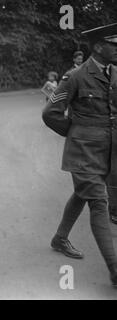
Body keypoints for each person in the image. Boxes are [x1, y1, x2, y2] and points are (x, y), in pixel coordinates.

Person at [42, 22, 117, 287]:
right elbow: (50, 113)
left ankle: (60, 238)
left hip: (108, 153)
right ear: (98, 46)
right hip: (83, 151)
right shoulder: (75, 76)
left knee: (83, 194)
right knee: (99, 202)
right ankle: (114, 270)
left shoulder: (115, 73)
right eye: (113, 44)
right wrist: (76, 134)